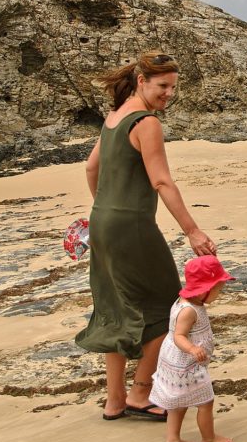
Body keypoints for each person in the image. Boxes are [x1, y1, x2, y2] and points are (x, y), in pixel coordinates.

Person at [75, 51, 217, 422]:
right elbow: (161, 180)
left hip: (103, 220)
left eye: (173, 87)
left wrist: (105, 207)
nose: (169, 94)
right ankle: (140, 394)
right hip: (132, 226)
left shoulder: (115, 116)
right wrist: (192, 230)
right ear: (142, 81)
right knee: (166, 306)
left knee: (114, 308)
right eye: (162, 86)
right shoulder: (145, 122)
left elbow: (92, 167)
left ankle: (114, 400)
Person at [149, 255, 235, 442]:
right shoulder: (189, 311)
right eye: (218, 289)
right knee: (205, 401)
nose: (220, 293)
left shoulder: (186, 302)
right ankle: (209, 438)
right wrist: (193, 348)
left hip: (175, 361)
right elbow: (179, 335)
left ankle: (173, 441)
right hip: (186, 364)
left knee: (178, 402)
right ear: (204, 289)